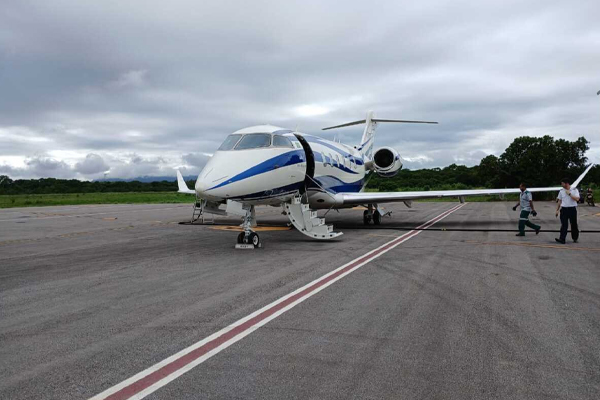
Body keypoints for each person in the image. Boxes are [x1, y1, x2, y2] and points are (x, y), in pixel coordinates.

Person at [555, 177, 580, 244]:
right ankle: (562, 239)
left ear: (566, 184)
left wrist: (569, 194)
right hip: (564, 210)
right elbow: (560, 200)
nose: (561, 185)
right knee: (564, 224)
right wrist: (557, 210)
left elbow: (577, 199)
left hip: (572, 209)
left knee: (573, 224)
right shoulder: (561, 191)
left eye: (562, 183)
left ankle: (575, 238)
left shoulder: (574, 190)